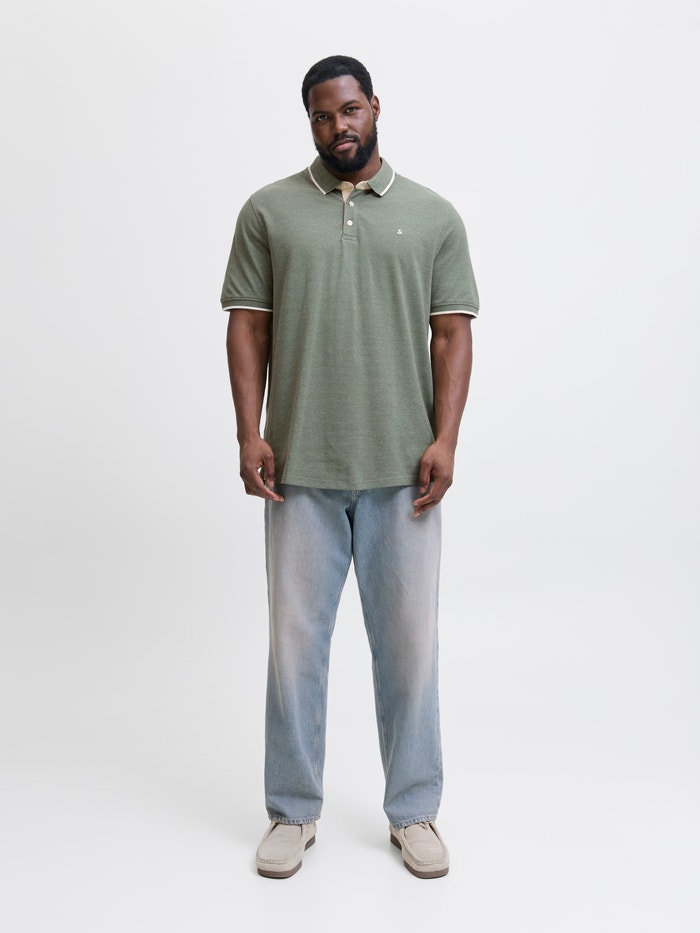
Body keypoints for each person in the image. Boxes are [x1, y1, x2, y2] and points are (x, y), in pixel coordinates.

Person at [221, 54, 479, 879]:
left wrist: (446, 440)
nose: (340, 126)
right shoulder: (269, 210)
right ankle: (292, 811)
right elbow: (248, 324)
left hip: (405, 475)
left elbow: (452, 332)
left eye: (351, 109)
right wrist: (249, 432)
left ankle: (415, 810)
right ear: (310, 121)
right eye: (323, 115)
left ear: (375, 106)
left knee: (409, 648)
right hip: (298, 468)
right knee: (295, 648)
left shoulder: (432, 215)